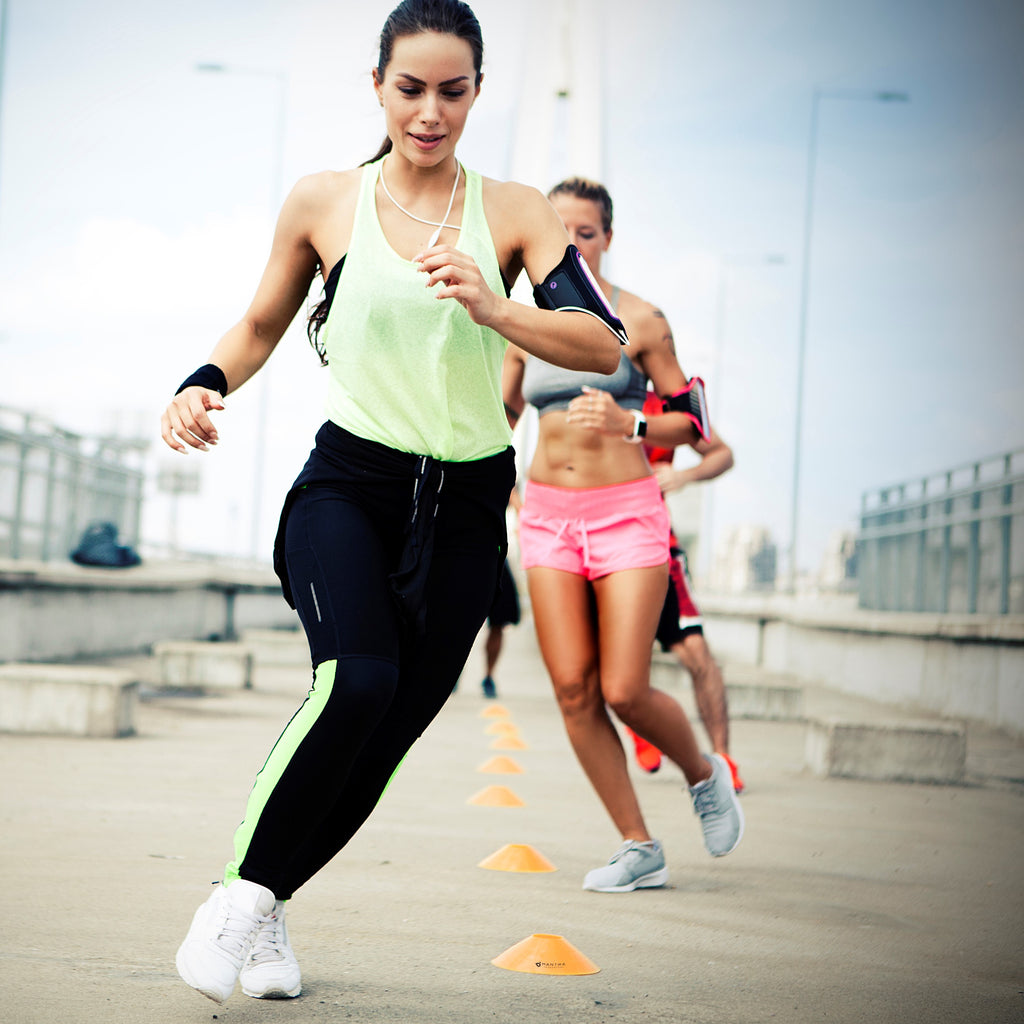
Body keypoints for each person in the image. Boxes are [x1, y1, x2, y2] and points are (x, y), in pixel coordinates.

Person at [160, 3, 621, 1004]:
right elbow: (259, 324)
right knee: (357, 680)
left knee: (391, 732)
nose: (429, 112)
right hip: (350, 484)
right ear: (377, 85)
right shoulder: (326, 201)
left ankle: (270, 905)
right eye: (410, 88)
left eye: (452, 91)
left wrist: (495, 304)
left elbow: (601, 343)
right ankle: (236, 898)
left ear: (478, 93)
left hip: (466, 504)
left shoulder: (516, 213)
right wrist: (203, 382)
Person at [502, 177, 744, 894]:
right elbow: (499, 416)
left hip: (627, 514)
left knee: (625, 689)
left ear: (607, 238)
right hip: (547, 517)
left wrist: (630, 422)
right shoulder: (524, 322)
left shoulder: (639, 318)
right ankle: (639, 846)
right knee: (574, 690)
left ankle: (703, 775)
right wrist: (502, 491)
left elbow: (695, 423)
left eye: (587, 233)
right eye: (561, 231)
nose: (573, 244)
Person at [624, 391, 745, 793]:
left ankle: (724, 759)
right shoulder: (590, 384)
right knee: (613, 657)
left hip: (657, 539)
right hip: (595, 541)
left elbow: (723, 454)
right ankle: (637, 723)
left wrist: (682, 476)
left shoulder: (669, 398)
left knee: (697, 653)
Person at [480, 557, 521, 698]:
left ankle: (489, 677)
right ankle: (452, 670)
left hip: (495, 556)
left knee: (498, 623)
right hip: (461, 555)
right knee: (457, 623)